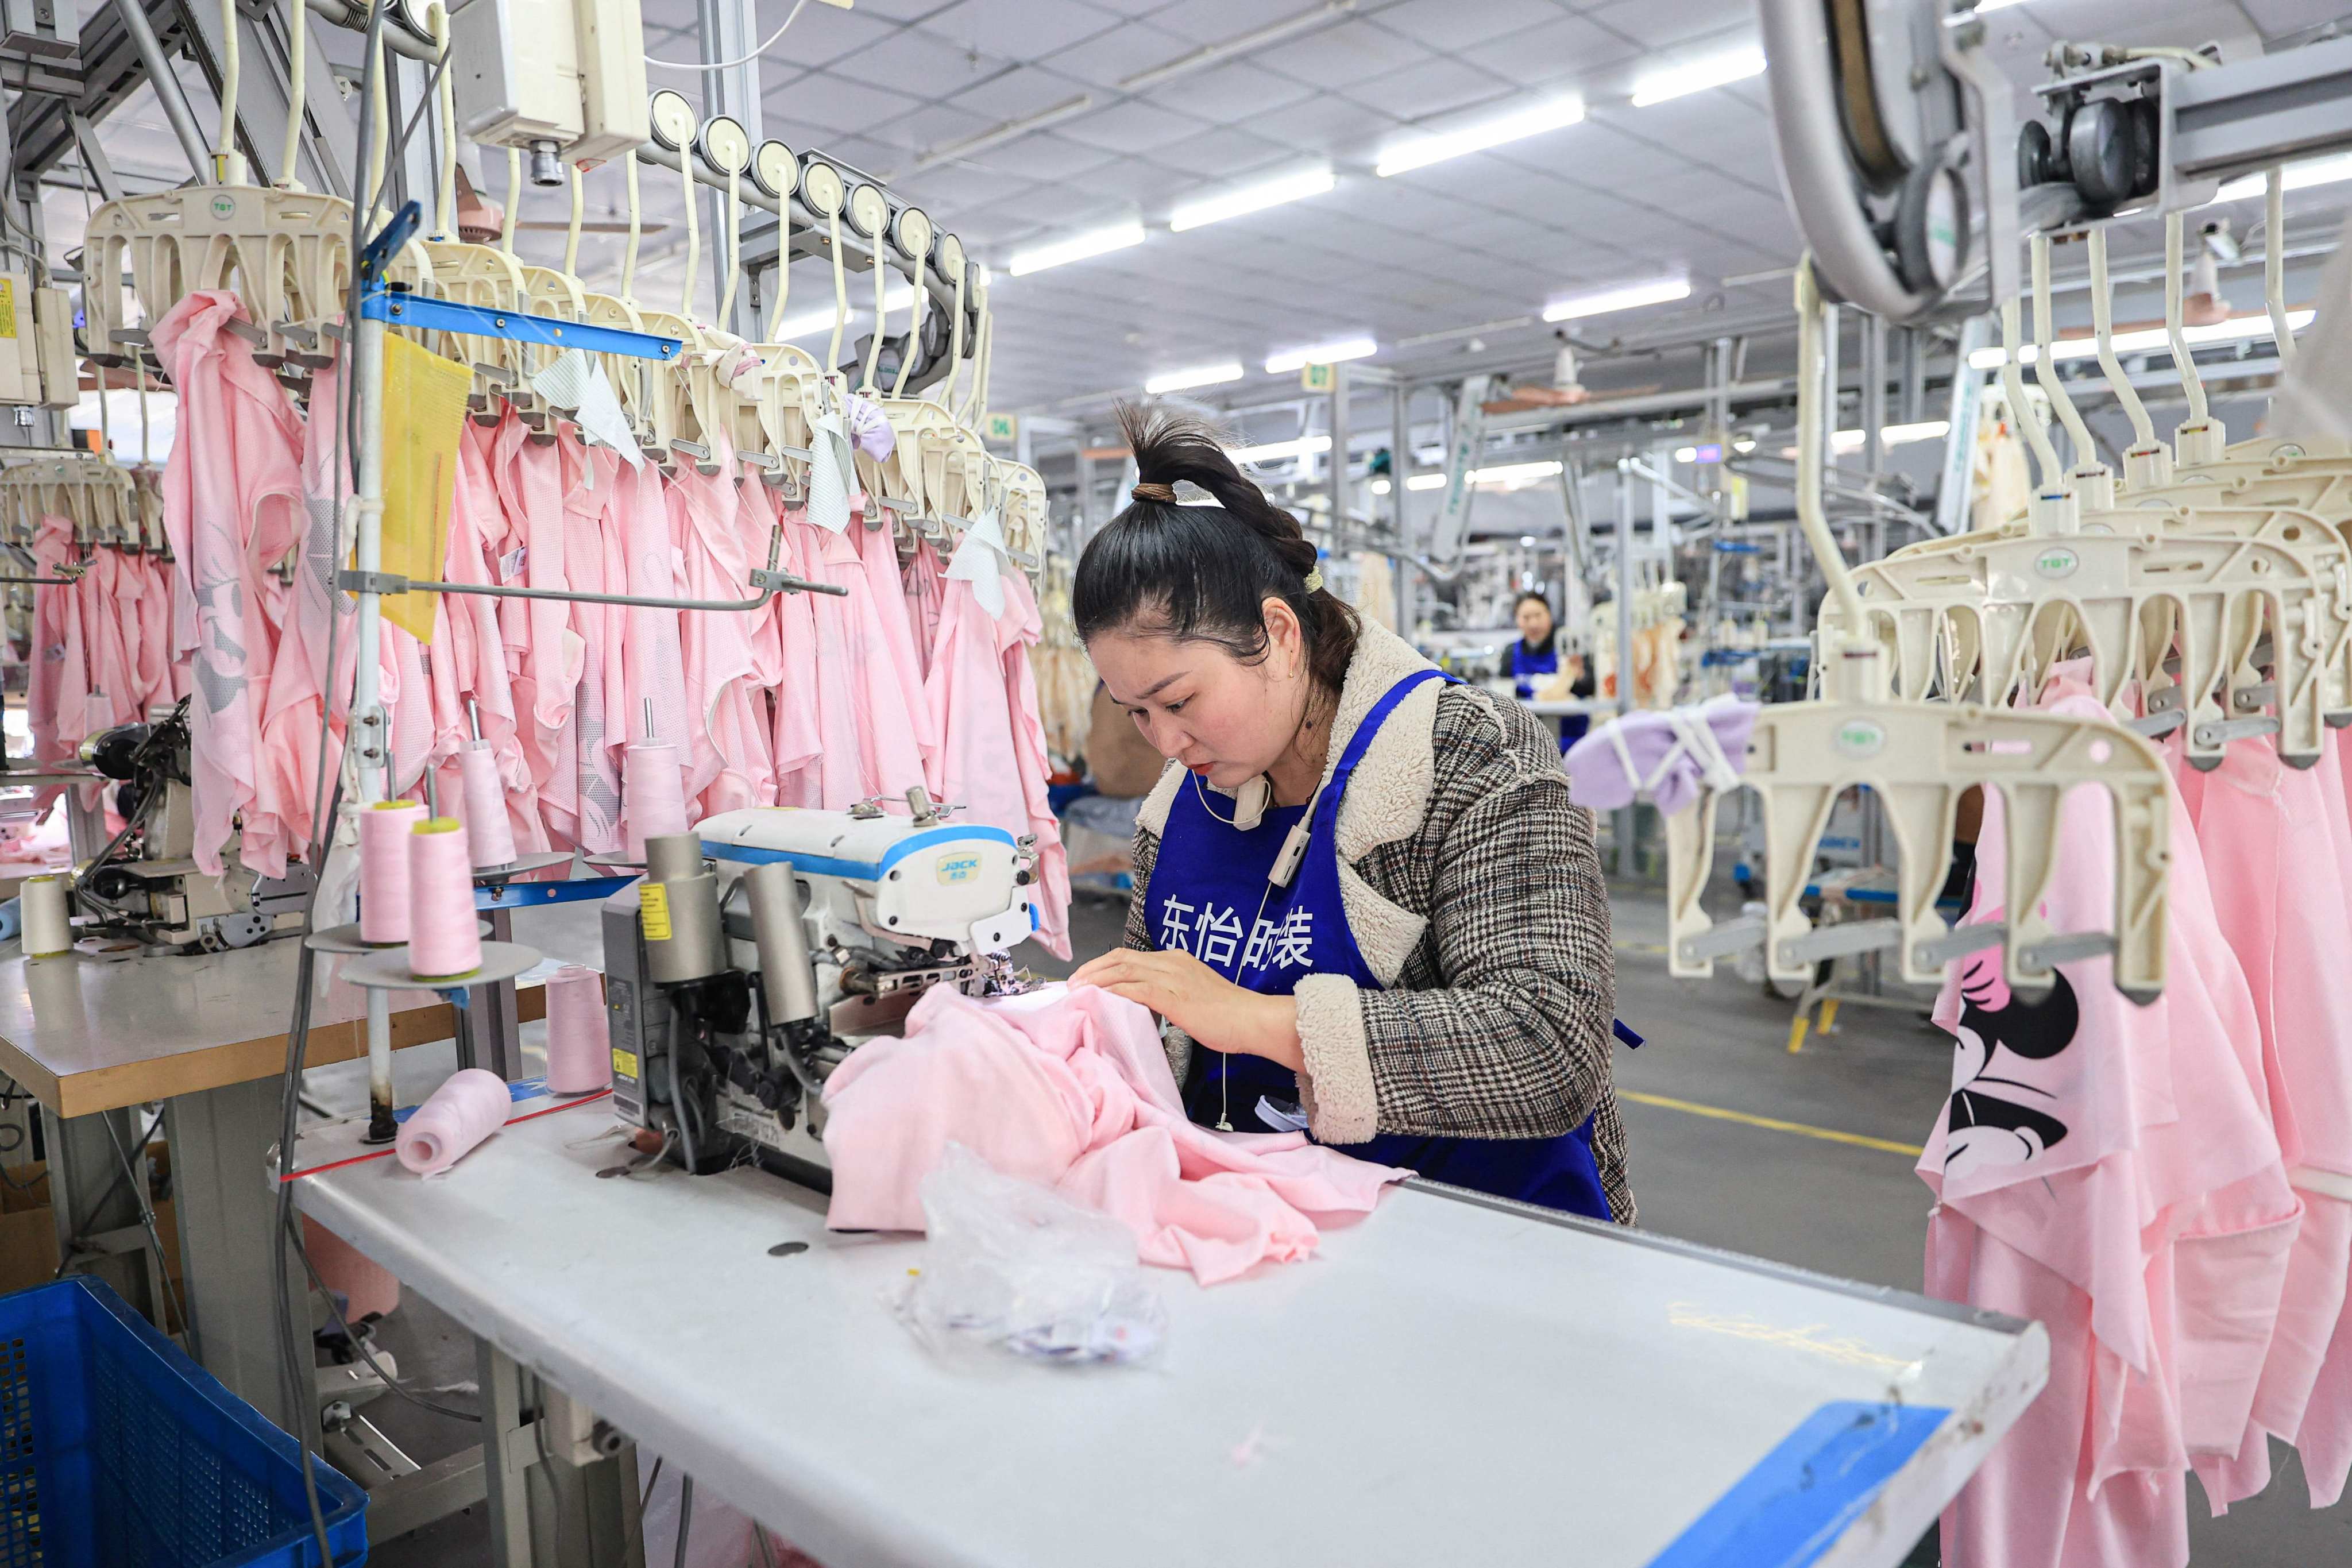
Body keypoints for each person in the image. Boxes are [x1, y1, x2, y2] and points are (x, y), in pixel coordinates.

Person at [1068, 404, 1632, 1223]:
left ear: (1277, 632)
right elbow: (1153, 1014)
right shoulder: (1182, 802)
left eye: (1179, 699)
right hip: (1277, 1231)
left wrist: (1261, 1022)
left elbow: (1546, 1044)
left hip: (1489, 1237)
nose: (1167, 739)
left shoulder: (1467, 757)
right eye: (1136, 713)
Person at [1509, 590, 1593, 747]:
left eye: (1538, 615)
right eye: (1526, 618)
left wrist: (1579, 674)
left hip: (1572, 740)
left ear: (1549, 614)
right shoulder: (1510, 653)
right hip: (1528, 744)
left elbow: (1589, 688)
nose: (1533, 624)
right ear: (1517, 620)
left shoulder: (1570, 646)